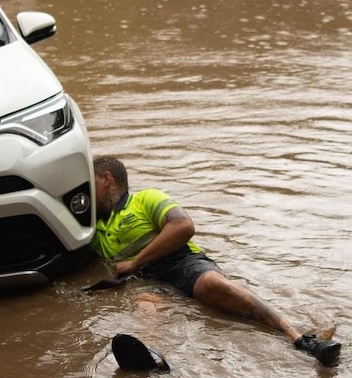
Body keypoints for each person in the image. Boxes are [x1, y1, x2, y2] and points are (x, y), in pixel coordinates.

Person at [90, 155, 341, 367]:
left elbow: (184, 226)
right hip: (148, 281)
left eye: (91, 181)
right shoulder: (94, 229)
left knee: (218, 286)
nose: (87, 189)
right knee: (147, 308)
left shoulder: (145, 199)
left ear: (107, 178)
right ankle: (155, 360)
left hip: (182, 262)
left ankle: (303, 341)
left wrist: (135, 262)